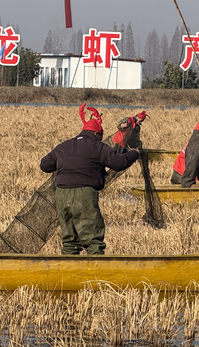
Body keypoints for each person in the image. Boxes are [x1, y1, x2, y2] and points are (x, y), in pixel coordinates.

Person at [40, 104, 140, 255]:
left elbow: (45, 165)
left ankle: (69, 268)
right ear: (96, 133)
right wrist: (134, 153)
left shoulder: (63, 146)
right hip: (84, 195)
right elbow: (119, 163)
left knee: (70, 243)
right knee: (94, 242)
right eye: (100, 136)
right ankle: (96, 268)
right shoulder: (97, 147)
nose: (101, 139)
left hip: (61, 195)